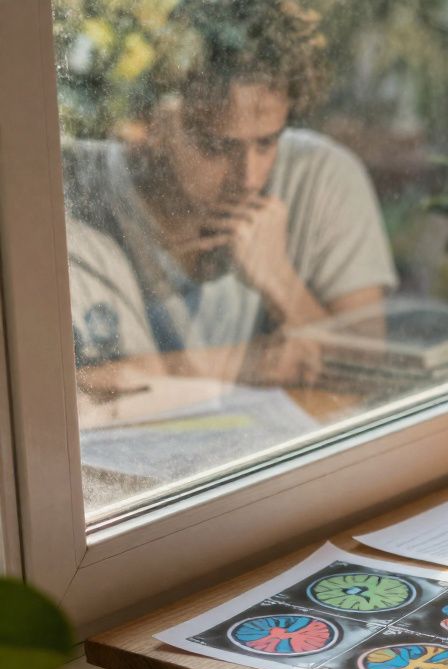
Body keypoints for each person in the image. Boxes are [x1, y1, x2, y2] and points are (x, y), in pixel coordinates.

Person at [63, 0, 397, 387]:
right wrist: (240, 365)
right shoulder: (76, 188)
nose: (249, 178)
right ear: (153, 121)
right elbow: (51, 399)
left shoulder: (324, 179)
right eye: (216, 147)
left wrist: (281, 283)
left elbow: (372, 371)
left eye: (268, 142)